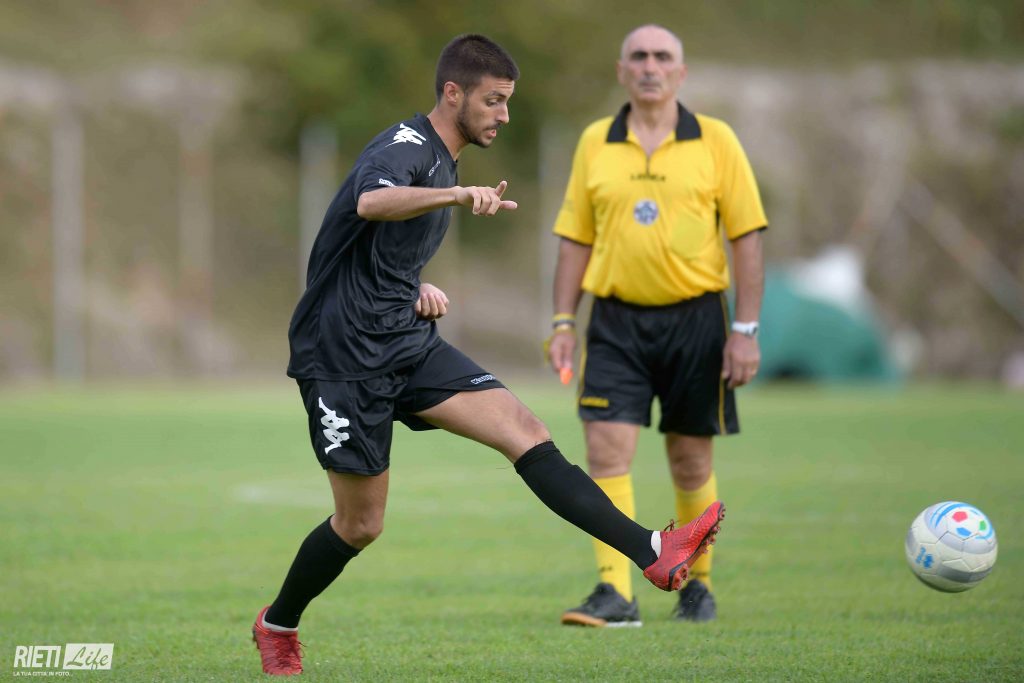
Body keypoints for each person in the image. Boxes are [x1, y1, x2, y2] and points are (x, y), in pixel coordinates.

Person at [251, 33, 726, 676]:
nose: (503, 114)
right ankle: (278, 623)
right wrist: (454, 197)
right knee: (360, 524)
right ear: (453, 93)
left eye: (507, 102)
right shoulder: (407, 146)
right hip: (342, 356)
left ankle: (653, 551)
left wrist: (410, 286)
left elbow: (361, 244)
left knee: (525, 430)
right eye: (493, 101)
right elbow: (370, 201)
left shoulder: (443, 160)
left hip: (404, 341)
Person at [547, 24, 765, 627]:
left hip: (698, 320)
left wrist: (746, 329)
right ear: (622, 71)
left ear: (680, 73)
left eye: (662, 57)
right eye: (638, 56)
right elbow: (574, 239)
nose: (650, 66)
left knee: (690, 459)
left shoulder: (716, 139)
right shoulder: (595, 141)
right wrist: (563, 321)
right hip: (614, 320)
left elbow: (747, 237)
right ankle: (615, 591)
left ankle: (697, 588)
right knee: (604, 447)